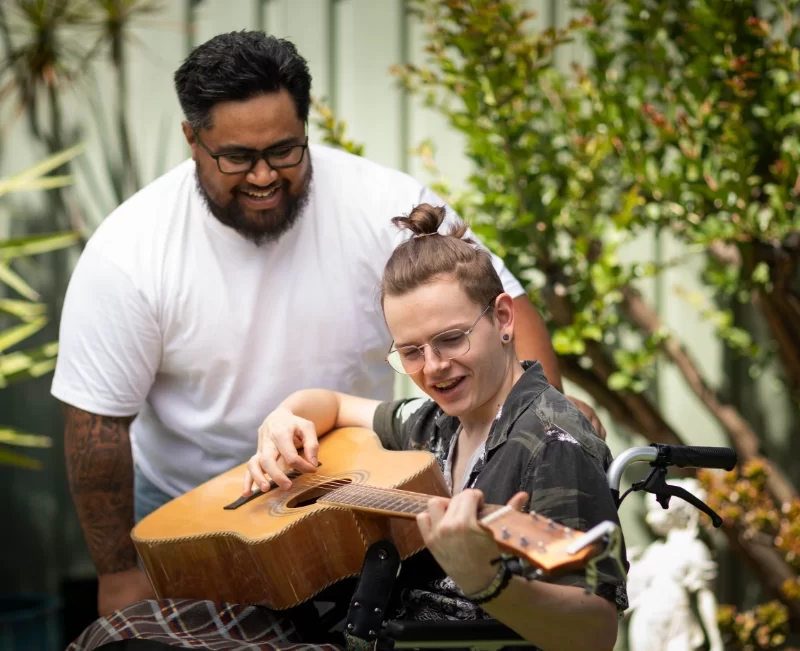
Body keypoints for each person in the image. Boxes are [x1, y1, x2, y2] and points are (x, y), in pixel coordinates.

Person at [52, 30, 606, 619]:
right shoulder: (129, 251)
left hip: (345, 496)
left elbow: (507, 308)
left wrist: (544, 439)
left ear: (306, 128)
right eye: (238, 157)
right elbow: (97, 426)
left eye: (285, 151)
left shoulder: (383, 203)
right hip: (186, 507)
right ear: (193, 139)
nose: (264, 175)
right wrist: (117, 573)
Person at [67, 204, 626, 651]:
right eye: (410, 351)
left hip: (426, 640)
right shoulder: (434, 423)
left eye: (452, 338)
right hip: (353, 623)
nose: (432, 368)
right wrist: (284, 419)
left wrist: (489, 581)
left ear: (504, 318)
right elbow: (331, 405)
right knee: (123, 631)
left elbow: (595, 633)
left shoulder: (555, 439)